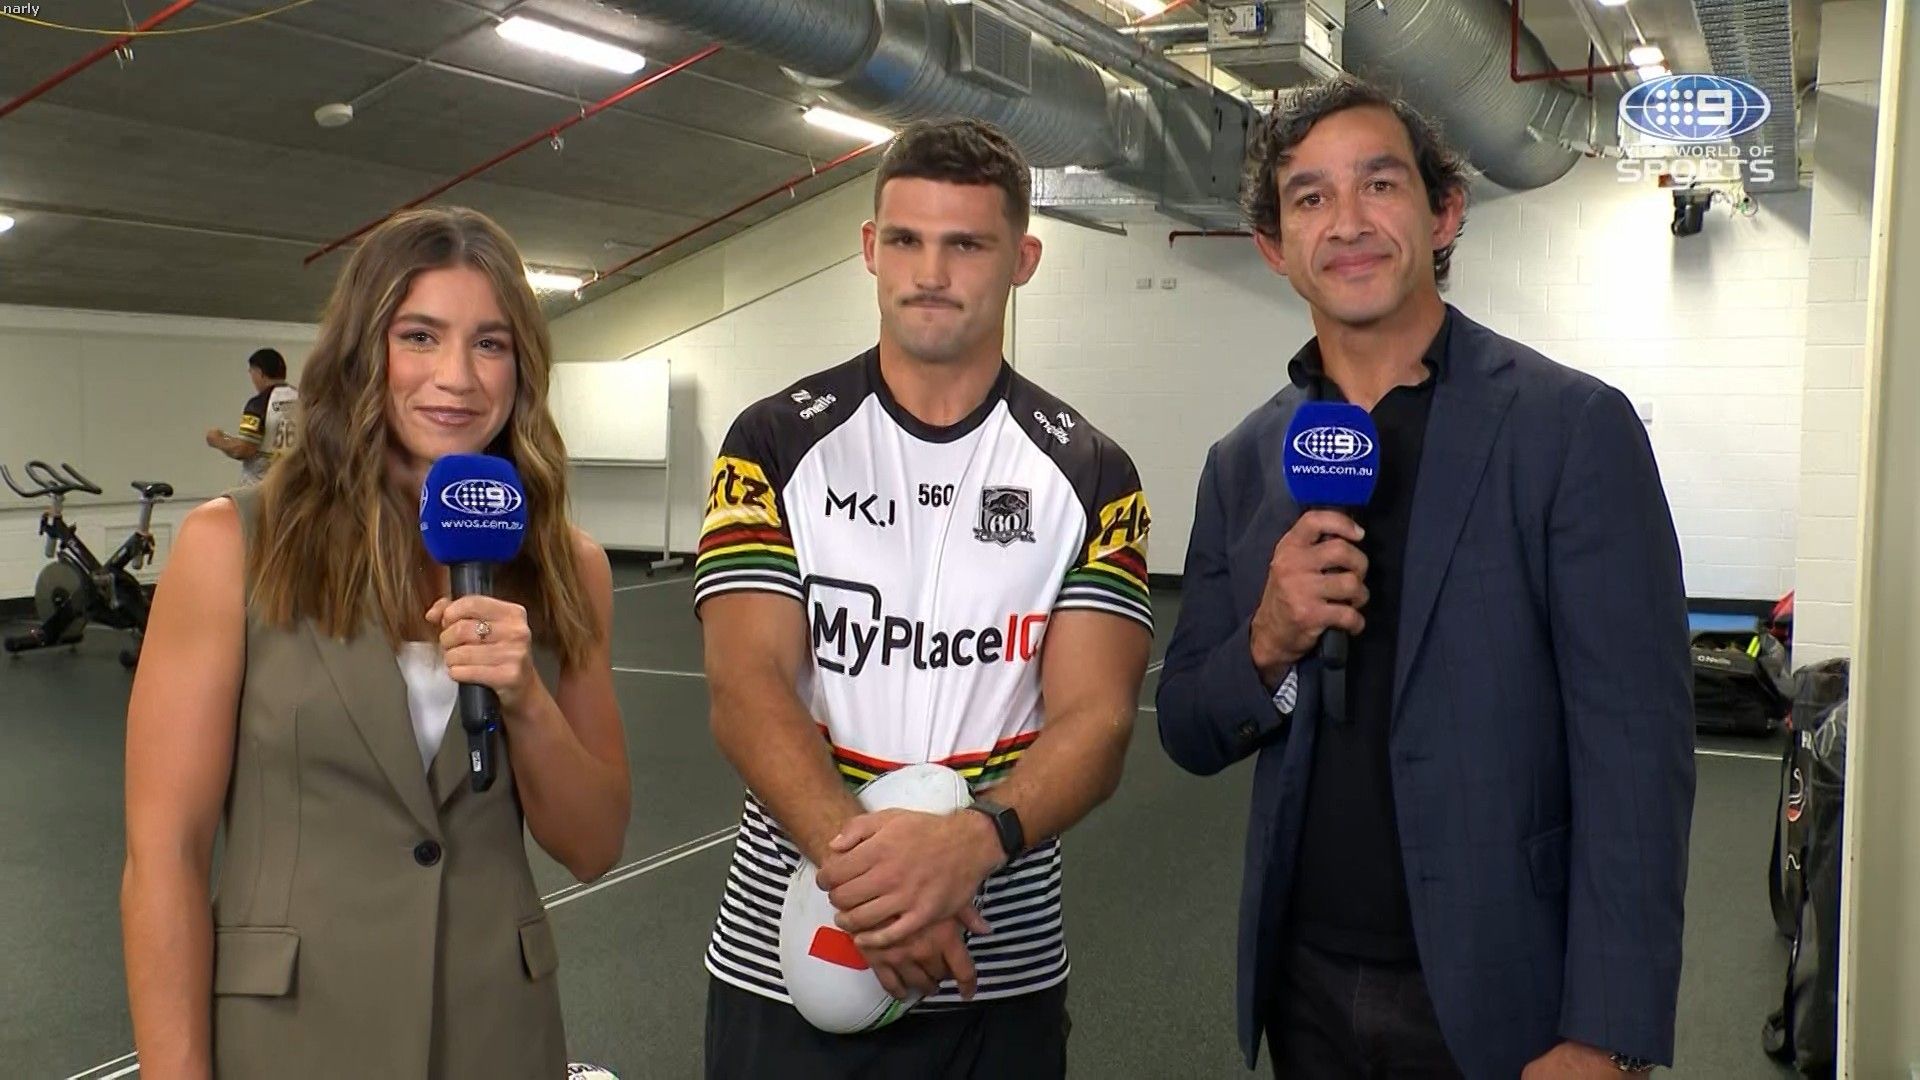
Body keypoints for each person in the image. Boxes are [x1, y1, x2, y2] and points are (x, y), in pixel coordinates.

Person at [1155, 75, 1696, 1079]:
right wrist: (1267, 640)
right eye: (1310, 198)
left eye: (1379, 185)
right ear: (1274, 246)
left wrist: (1609, 1032)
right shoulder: (1243, 462)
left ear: (1443, 213)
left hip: (1508, 990)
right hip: (1304, 985)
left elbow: (1636, 752)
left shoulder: (1570, 429)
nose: (1347, 222)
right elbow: (1188, 725)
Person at [121, 207, 632, 1079]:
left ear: (521, 367)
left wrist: (525, 700)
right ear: (364, 350)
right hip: (290, 1039)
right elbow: (164, 854)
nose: (456, 377)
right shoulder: (232, 546)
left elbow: (594, 845)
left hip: (496, 1038)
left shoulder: (565, 566)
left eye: (490, 343)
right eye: (419, 336)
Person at [693, 117, 1154, 1079]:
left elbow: (1099, 720)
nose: (930, 272)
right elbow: (746, 687)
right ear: (870, 247)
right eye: (905, 239)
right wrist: (874, 888)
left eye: (967, 245)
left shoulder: (1094, 473)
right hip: (786, 956)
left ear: (1023, 260)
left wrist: (973, 844)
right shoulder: (772, 442)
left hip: (996, 968)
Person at [205, 347, 300, 485]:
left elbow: (243, 449)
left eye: (251, 372)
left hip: (260, 487)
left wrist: (218, 438)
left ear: (259, 373)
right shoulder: (302, 399)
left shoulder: (258, 404)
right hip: (295, 485)